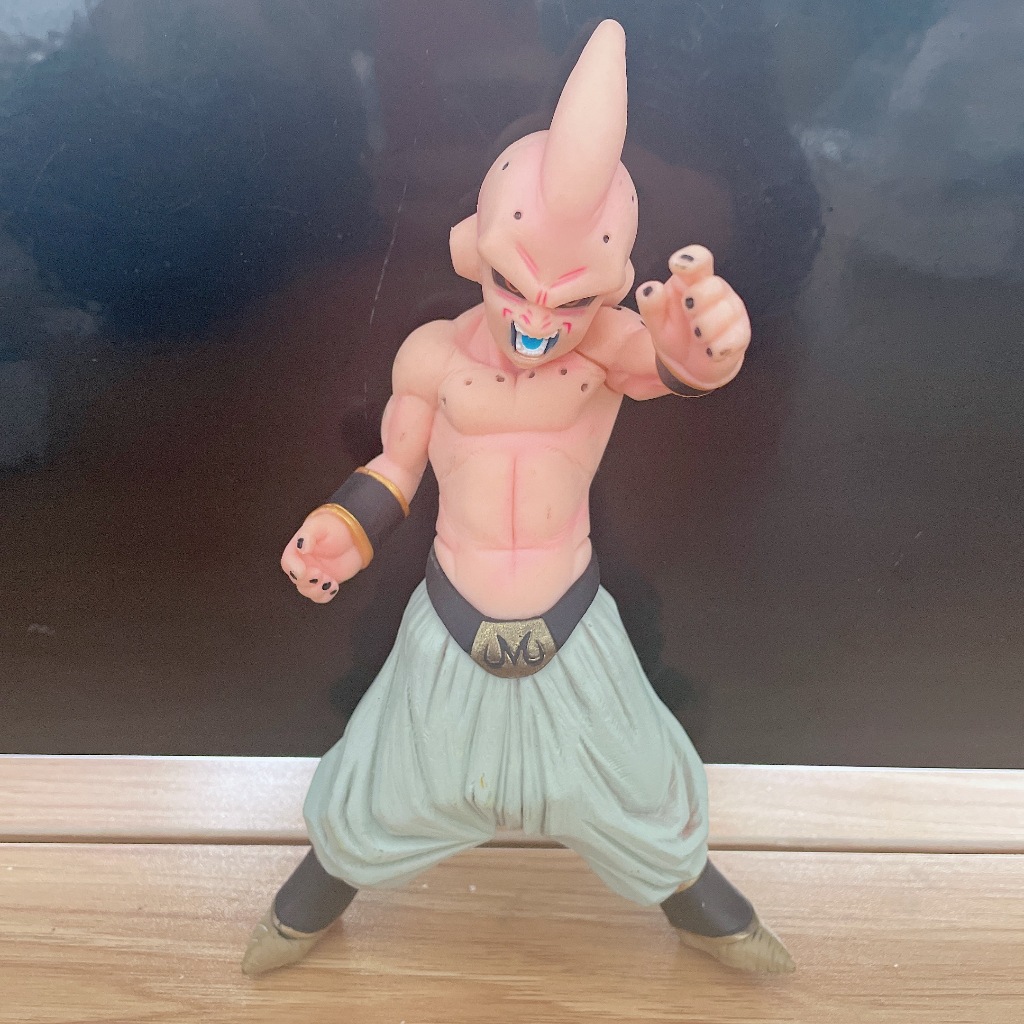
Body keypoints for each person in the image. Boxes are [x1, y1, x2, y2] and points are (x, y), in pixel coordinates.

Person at [243, 20, 793, 977]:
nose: (537, 322)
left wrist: (703, 350)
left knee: (637, 778)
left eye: (571, 300)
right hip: (450, 617)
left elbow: (668, 367)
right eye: (515, 285)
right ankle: (317, 895)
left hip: (573, 620)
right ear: (473, 251)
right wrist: (339, 530)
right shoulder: (431, 357)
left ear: (612, 291)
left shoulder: (606, 350)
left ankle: (699, 904)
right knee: (384, 776)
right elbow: (394, 469)